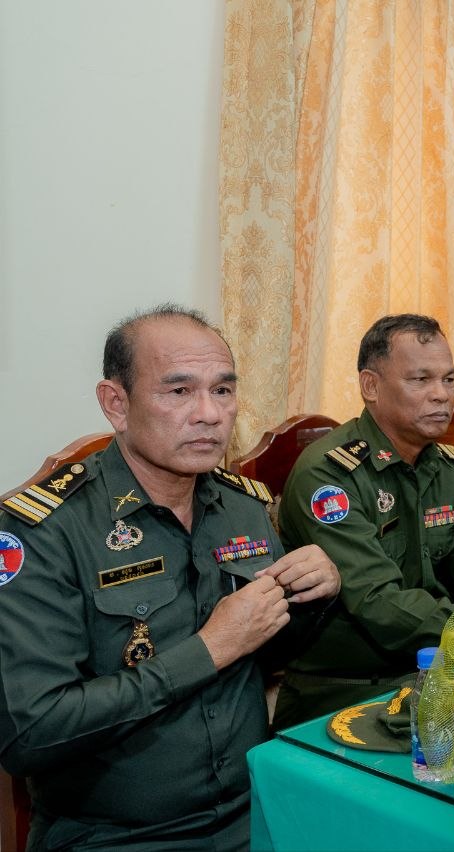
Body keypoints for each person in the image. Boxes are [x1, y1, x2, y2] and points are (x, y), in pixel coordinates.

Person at [0, 305, 341, 850]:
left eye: (223, 391)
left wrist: (313, 597)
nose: (209, 414)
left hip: (249, 813)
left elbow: (268, 654)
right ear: (116, 404)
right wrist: (208, 650)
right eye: (179, 391)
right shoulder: (44, 531)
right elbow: (32, 732)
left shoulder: (243, 506)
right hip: (115, 837)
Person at [275, 314, 454, 729]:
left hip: (437, 673)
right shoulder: (328, 476)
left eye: (448, 380)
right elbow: (378, 604)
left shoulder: (449, 468)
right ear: (371, 386)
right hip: (343, 691)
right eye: (421, 380)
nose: (442, 395)